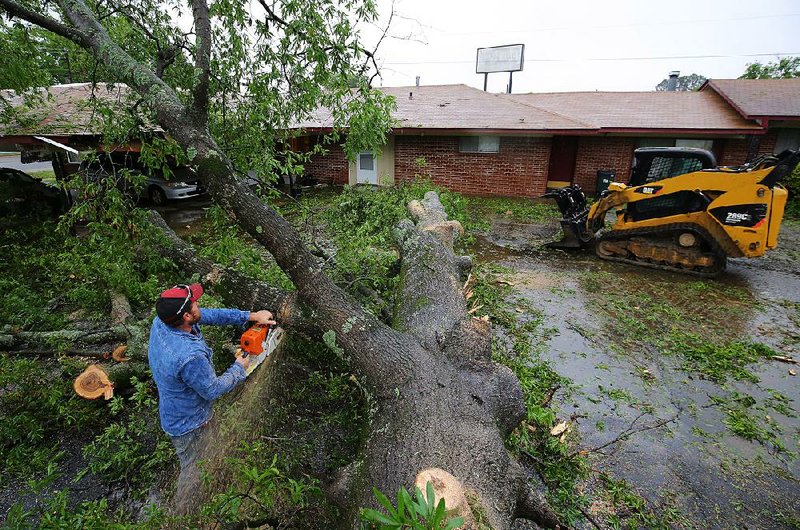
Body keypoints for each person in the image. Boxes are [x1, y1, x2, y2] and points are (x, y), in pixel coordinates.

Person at [147, 282, 275, 506]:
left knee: (208, 453)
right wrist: (239, 367)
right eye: (195, 304)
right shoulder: (189, 356)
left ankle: (213, 484)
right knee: (193, 471)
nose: (199, 306)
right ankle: (182, 513)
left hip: (181, 408)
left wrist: (252, 316)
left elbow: (208, 315)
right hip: (189, 423)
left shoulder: (163, 322)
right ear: (186, 315)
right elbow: (212, 390)